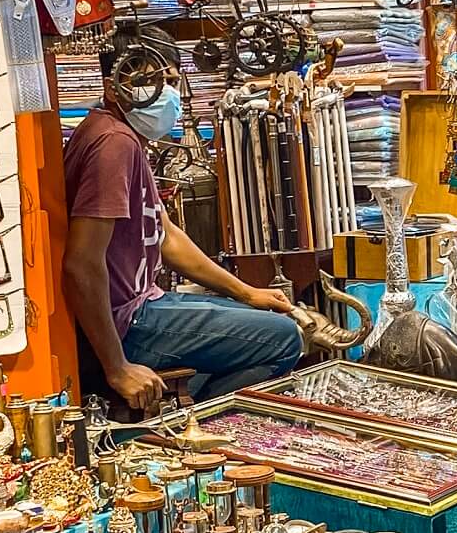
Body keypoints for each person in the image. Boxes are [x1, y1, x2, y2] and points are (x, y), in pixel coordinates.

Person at [62, 48, 302, 411]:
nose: (164, 92)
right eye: (147, 82)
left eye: (171, 81)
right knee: (284, 340)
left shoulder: (122, 136)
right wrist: (117, 367)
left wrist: (247, 293)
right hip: (130, 322)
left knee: (264, 323)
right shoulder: (114, 144)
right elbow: (81, 262)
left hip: (146, 303)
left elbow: (166, 235)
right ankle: (195, 425)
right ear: (113, 89)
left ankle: (189, 415)